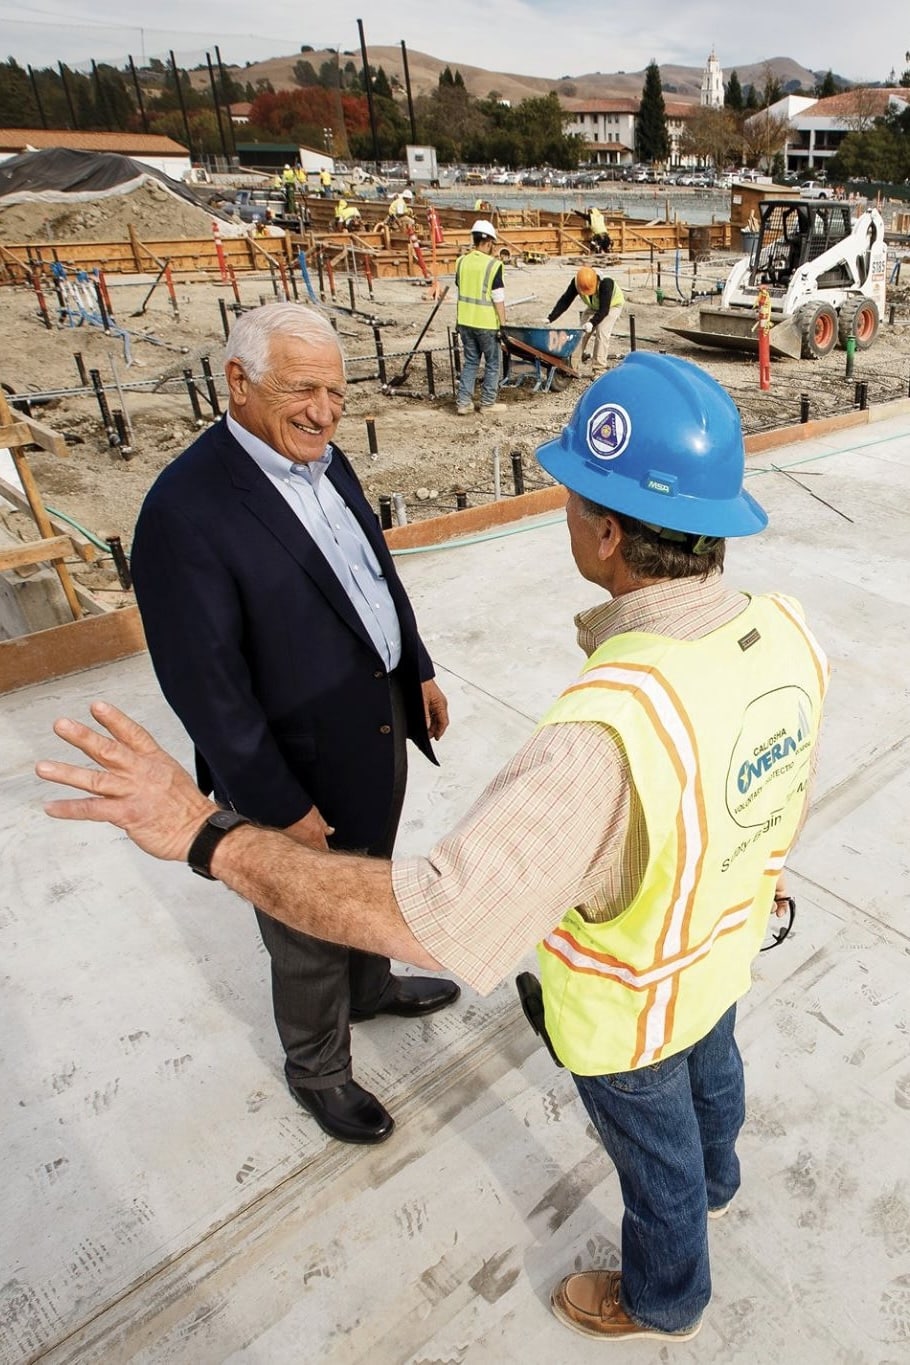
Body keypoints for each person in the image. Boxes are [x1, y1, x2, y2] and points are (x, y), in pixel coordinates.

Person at [39, 354, 827, 1343]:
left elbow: (439, 916)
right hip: (719, 951)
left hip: (633, 1008)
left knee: (652, 1147)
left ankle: (666, 1292)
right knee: (714, 1082)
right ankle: (720, 1179)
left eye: (574, 498)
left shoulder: (608, 729)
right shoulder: (786, 634)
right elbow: (776, 789)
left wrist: (210, 838)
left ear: (607, 533)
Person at [127, 303, 460, 1147]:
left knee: (372, 873)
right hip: (293, 765)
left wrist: (413, 664)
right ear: (237, 383)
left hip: (375, 724)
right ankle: (317, 1067)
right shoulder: (184, 511)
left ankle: (372, 985)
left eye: (337, 394)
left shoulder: (322, 457)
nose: (323, 411)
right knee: (305, 920)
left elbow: (372, 571)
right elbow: (207, 689)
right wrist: (274, 806)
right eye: (303, 389)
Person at [454, 219, 506, 416]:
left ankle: (463, 403)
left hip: (465, 321)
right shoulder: (494, 265)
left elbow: (463, 288)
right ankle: (487, 403)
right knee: (493, 362)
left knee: (471, 361)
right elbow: (498, 297)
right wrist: (503, 325)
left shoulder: (461, 262)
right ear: (489, 242)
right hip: (486, 323)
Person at [548, 265, 624, 375]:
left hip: (611, 306)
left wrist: (591, 323)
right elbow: (565, 301)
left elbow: (604, 310)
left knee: (602, 334)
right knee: (580, 333)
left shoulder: (606, 283)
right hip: (594, 306)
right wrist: (550, 318)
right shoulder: (577, 282)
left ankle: (599, 369)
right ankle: (572, 367)